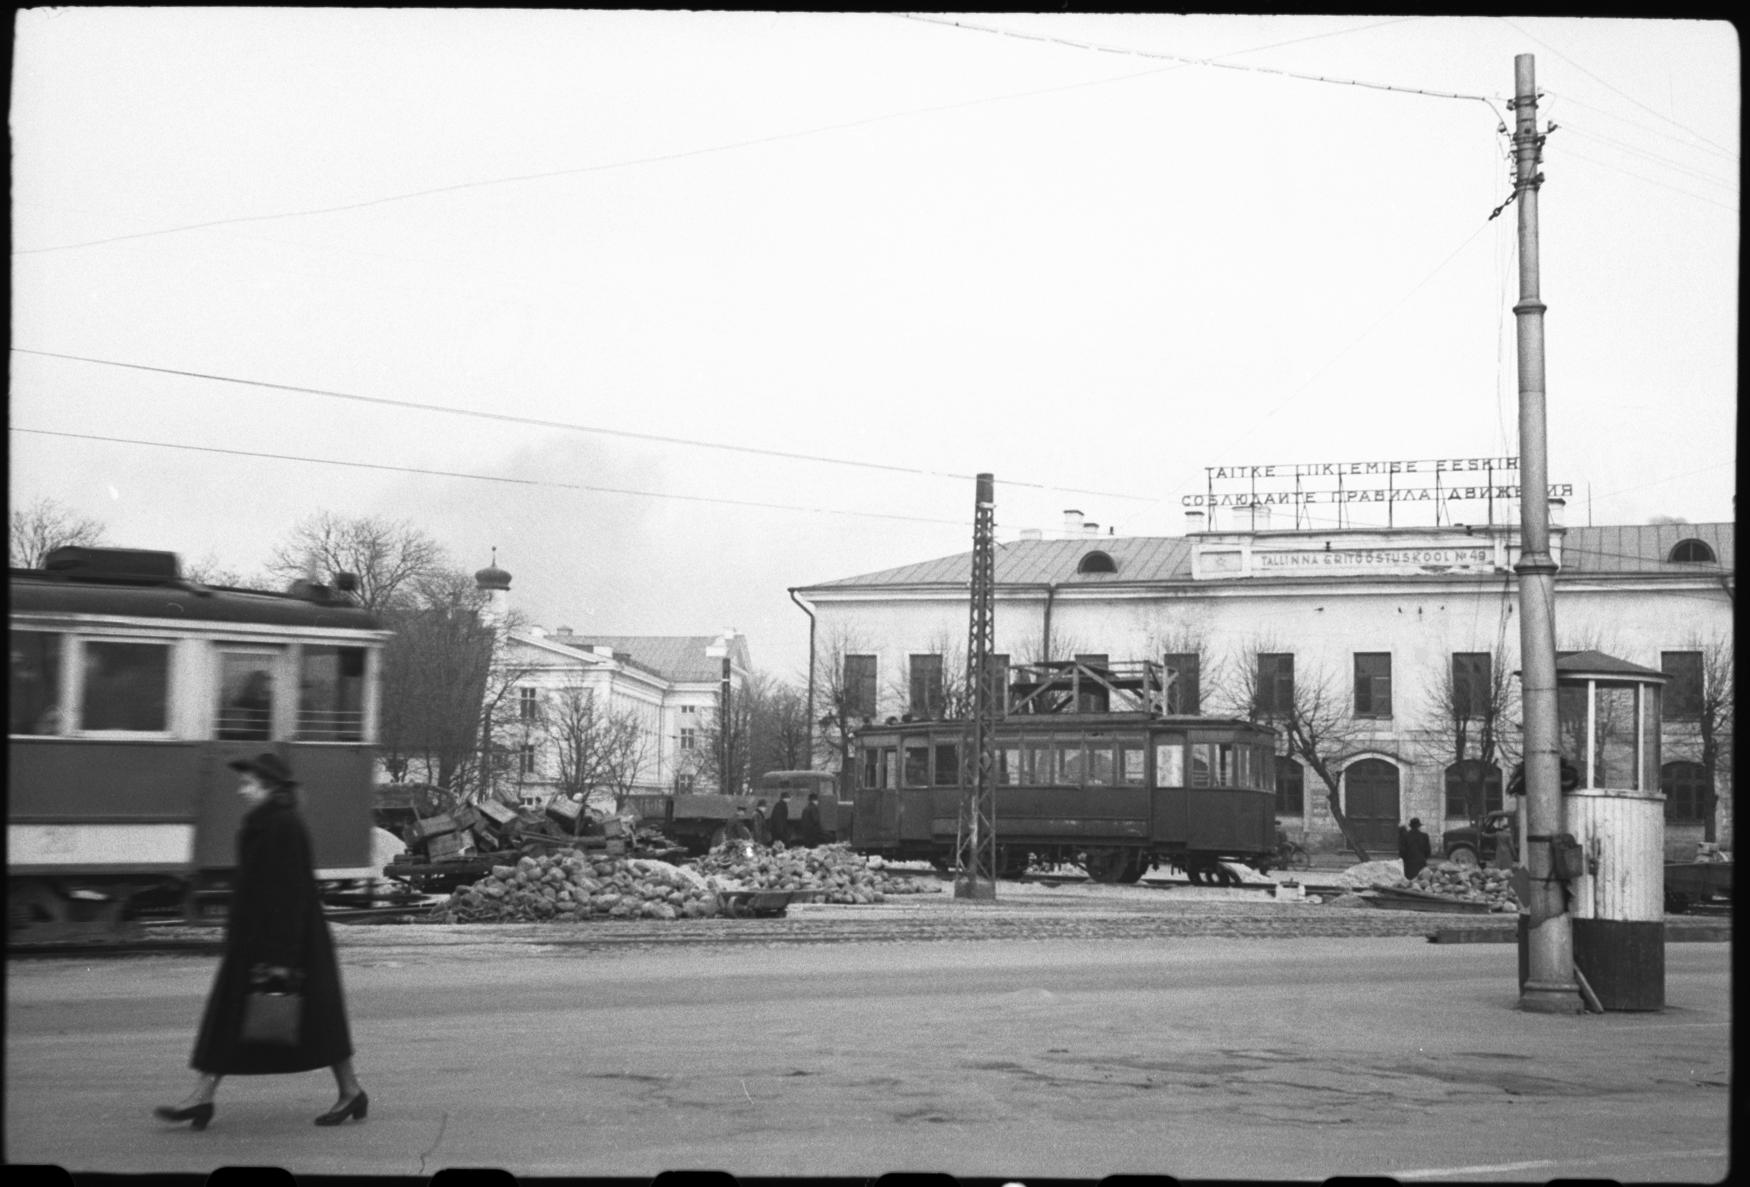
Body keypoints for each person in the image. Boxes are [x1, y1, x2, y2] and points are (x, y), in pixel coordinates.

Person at [155, 752, 367, 1130]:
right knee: (235, 1019)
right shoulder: (268, 822)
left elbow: (290, 893)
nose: (242, 789)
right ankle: (202, 1097)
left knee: (317, 1021)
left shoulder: (282, 825)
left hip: (285, 941)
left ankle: (351, 1090)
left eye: (249, 783)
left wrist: (281, 956)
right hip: (259, 939)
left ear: (269, 787)